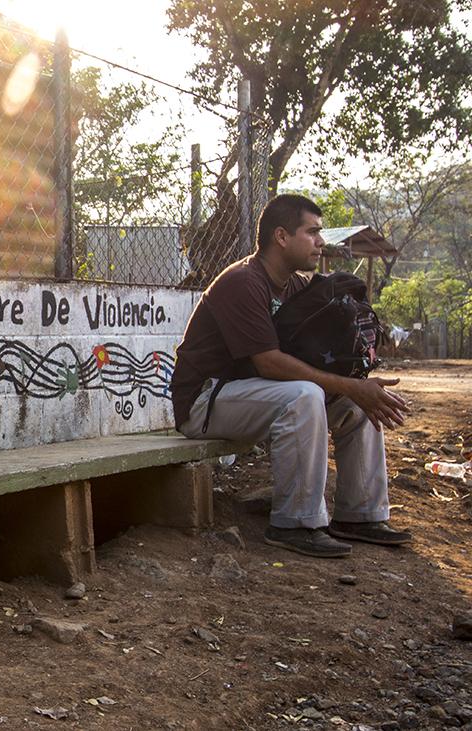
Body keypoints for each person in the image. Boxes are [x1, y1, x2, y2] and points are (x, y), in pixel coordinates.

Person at [171, 193, 411, 558]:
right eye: (312, 232)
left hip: (251, 396)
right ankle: (294, 524)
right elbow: (269, 363)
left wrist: (357, 379)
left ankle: (360, 514)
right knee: (305, 395)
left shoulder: (295, 285)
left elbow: (314, 353)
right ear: (281, 237)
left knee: (355, 404)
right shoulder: (243, 281)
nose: (320, 242)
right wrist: (351, 385)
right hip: (205, 402)